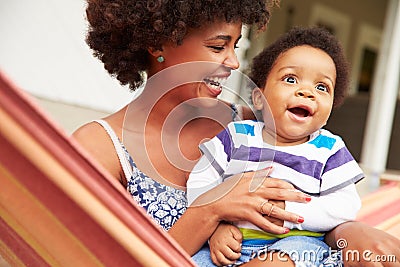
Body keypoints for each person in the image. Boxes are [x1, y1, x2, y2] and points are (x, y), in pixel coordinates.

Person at [73, 1, 400, 266]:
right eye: (218, 46)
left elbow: (300, 217)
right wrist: (213, 209)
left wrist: (346, 232)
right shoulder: (101, 148)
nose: (233, 62)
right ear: (156, 42)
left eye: (235, 46)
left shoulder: (250, 124)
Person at [187, 26, 363, 266]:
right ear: (259, 97)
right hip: (229, 240)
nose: (307, 92)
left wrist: (288, 211)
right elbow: (200, 180)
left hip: (294, 241)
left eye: (322, 87)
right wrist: (215, 227)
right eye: (290, 79)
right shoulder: (237, 135)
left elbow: (345, 206)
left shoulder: (329, 149)